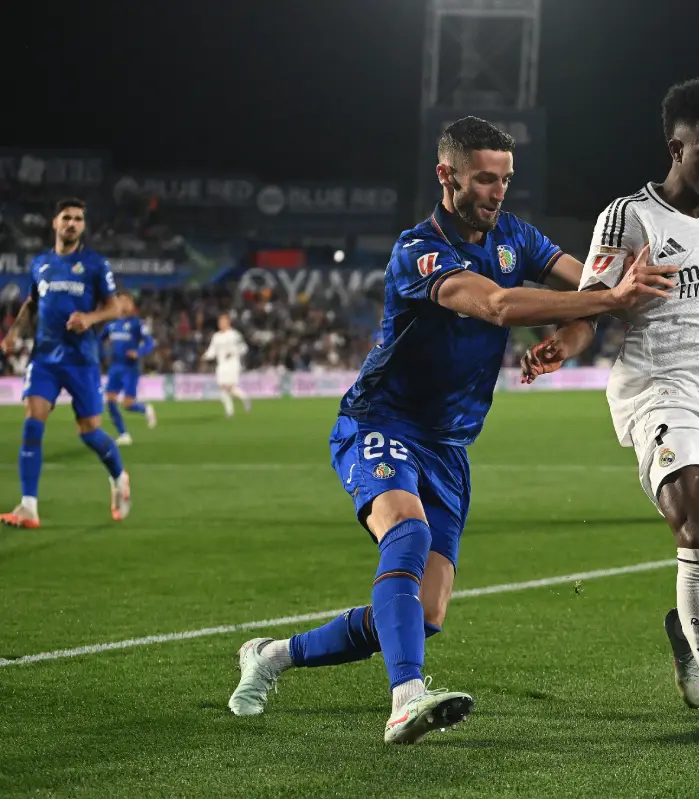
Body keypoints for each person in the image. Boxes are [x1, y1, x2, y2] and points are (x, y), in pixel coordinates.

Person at [226, 116, 675, 745]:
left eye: (505, 180)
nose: (497, 192)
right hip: (380, 421)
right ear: (447, 176)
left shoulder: (518, 235)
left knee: (426, 612)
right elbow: (497, 304)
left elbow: (589, 293)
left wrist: (567, 343)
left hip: (449, 446)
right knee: (405, 534)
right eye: (484, 179)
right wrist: (607, 301)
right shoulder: (420, 249)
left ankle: (273, 655)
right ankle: (407, 697)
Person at [522, 78, 699, 742]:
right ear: (677, 147)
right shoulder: (628, 217)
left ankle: (688, 627)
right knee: (698, 520)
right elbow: (592, 303)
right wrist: (564, 343)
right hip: (662, 390)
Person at [0, 198, 132, 529]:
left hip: (81, 360)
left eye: (77, 219)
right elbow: (32, 303)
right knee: (33, 422)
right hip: (44, 357)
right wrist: (15, 332)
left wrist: (90, 317)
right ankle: (29, 506)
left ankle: (119, 477)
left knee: (89, 432)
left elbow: (114, 308)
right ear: (54, 223)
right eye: (66, 218)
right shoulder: (40, 263)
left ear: (83, 227)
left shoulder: (94, 264)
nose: (71, 223)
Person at [103, 291, 157, 444]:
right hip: (115, 367)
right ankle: (123, 435)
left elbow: (150, 343)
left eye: (126, 301)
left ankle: (146, 409)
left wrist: (138, 352)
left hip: (130, 368)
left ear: (132, 305)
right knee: (110, 401)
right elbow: (98, 339)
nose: (123, 304)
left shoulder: (136, 324)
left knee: (127, 404)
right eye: (120, 301)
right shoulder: (112, 323)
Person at [202, 314, 251, 417]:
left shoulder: (234, 335)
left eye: (223, 322)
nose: (221, 324)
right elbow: (212, 351)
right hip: (221, 366)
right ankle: (243, 398)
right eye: (219, 322)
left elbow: (244, 348)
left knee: (227, 387)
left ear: (228, 322)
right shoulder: (216, 336)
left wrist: (233, 352)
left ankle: (230, 411)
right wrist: (205, 356)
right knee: (224, 388)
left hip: (233, 364)